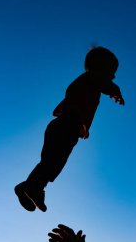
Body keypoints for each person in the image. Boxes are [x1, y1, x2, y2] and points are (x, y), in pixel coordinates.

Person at [14, 47, 125, 212]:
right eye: (111, 71)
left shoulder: (87, 85)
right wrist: (115, 91)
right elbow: (100, 83)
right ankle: (32, 186)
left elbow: (80, 104)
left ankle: (31, 186)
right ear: (99, 68)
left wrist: (83, 126)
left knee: (53, 162)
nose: (113, 76)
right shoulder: (89, 79)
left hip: (65, 127)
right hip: (64, 126)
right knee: (53, 161)